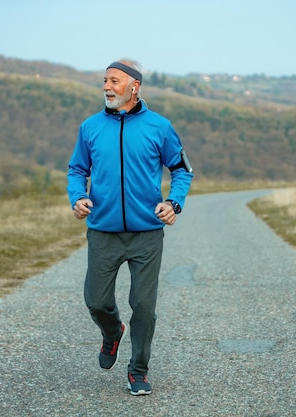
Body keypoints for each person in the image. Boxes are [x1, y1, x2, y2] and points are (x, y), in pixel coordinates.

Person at [67, 59, 193, 396]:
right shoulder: (90, 127)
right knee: (95, 301)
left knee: (145, 306)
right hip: (103, 231)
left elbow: (182, 170)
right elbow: (76, 170)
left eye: (114, 81)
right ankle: (112, 333)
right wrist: (77, 197)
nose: (107, 87)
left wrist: (173, 202)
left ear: (134, 87)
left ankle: (138, 370)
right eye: (105, 81)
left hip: (146, 234)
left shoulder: (159, 127)